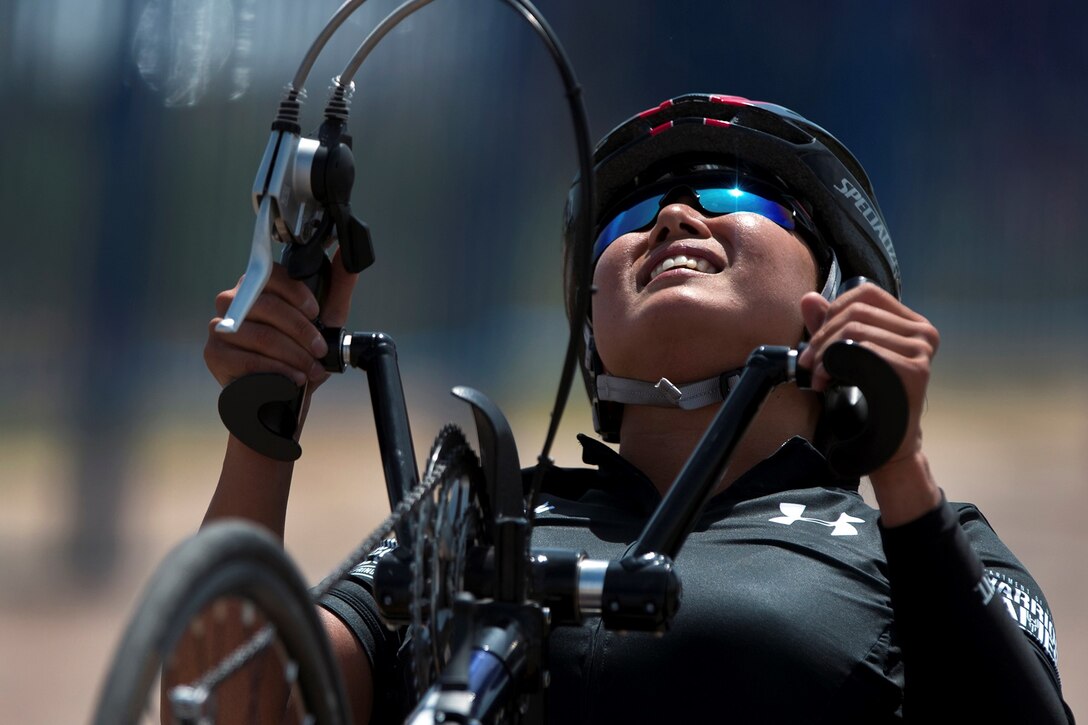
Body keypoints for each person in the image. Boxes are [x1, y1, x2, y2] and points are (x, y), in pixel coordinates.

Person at [202, 93, 1075, 723]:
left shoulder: (919, 542)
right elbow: (225, 705)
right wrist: (264, 419)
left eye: (737, 193)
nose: (672, 217)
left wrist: (904, 473)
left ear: (840, 290)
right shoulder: (476, 514)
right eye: (626, 216)